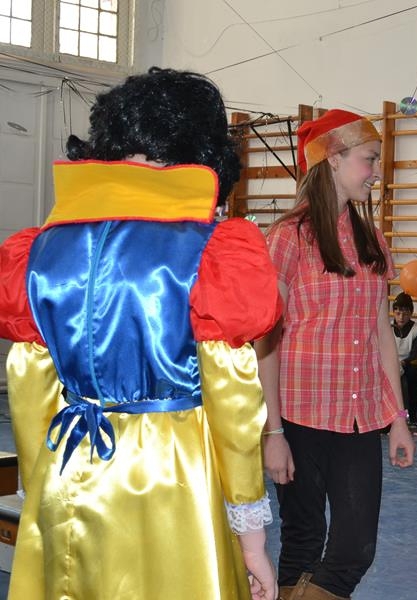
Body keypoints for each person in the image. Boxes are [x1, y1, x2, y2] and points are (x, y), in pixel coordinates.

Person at [0, 68, 280, 599]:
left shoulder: (39, 251)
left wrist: (44, 490)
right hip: (172, 478)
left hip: (69, 466)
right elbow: (234, 401)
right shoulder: (209, 251)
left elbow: (29, 386)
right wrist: (252, 541)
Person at [256, 109, 415, 600]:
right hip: (299, 416)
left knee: (355, 548)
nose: (376, 171)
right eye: (370, 159)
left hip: (359, 417)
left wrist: (398, 419)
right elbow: (265, 341)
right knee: (303, 540)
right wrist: (273, 432)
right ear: (333, 160)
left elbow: (382, 334)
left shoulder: (372, 239)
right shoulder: (288, 237)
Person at [391, 292, 417, 428]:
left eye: (405, 314)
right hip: (391, 366)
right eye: (398, 313)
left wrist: (403, 363)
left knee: (411, 377)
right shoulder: (388, 328)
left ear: (411, 313)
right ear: (394, 312)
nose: (401, 317)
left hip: (408, 366)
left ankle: (409, 416)